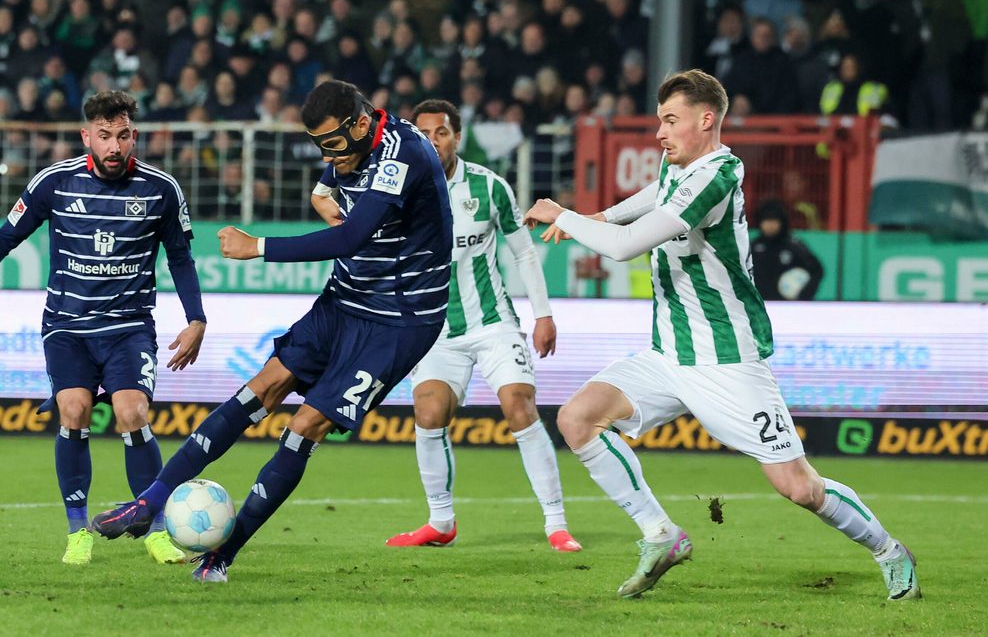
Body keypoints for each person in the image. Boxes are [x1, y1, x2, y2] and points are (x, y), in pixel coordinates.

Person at [523, 69, 920, 602]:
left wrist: (567, 215)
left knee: (799, 488)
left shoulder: (717, 175)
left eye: (670, 120)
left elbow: (625, 247)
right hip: (669, 353)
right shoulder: (678, 166)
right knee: (577, 419)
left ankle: (892, 552)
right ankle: (661, 535)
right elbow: (652, 196)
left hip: (728, 360)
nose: (659, 133)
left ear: (705, 120)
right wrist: (599, 213)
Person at [91, 80, 453, 583]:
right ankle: (148, 503)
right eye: (319, 144)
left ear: (362, 123)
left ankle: (222, 554)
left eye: (333, 143)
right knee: (259, 389)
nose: (328, 154)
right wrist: (326, 191)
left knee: (304, 427)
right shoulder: (352, 145)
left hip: (400, 318)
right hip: (345, 298)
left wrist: (257, 246)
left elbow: (351, 234)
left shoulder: (403, 154)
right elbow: (330, 191)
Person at [0, 90, 207, 566]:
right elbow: (8, 237)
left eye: (123, 136)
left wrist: (196, 319)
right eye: (104, 136)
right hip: (67, 326)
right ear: (86, 135)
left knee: (132, 412)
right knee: (72, 409)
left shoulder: (161, 189)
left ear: (135, 135)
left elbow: (181, 257)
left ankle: (154, 528)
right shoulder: (53, 183)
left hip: (129, 327)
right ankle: (78, 533)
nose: (114, 147)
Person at [383, 99, 580, 552]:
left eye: (442, 133)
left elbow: (524, 251)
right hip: (435, 329)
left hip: (493, 324)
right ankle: (440, 522)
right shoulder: (401, 191)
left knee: (519, 408)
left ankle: (556, 525)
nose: (433, 142)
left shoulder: (489, 187)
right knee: (429, 413)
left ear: (457, 136)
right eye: (424, 133)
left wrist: (544, 314)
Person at [751, 199, 824, 300]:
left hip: (789, 307)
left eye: (774, 221)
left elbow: (816, 270)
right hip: (761, 304)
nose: (770, 225)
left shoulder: (794, 246)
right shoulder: (753, 247)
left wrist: (804, 296)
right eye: (766, 221)